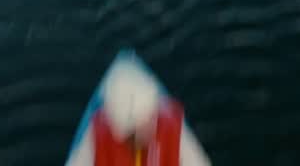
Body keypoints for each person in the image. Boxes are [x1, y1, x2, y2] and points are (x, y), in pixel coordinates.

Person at [65, 59, 210, 166]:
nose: (153, 124)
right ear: (126, 131)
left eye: (152, 115)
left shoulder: (171, 126)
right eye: (145, 121)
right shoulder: (97, 135)